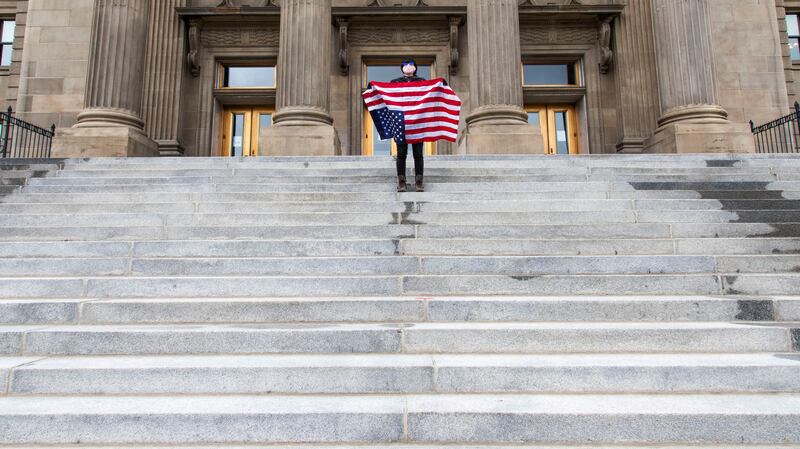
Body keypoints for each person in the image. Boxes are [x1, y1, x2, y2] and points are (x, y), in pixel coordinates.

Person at [391, 59, 425, 192]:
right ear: (401, 68)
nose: (408, 66)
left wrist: (441, 85)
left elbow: (432, 91)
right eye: (405, 65)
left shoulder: (422, 81)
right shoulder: (395, 82)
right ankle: (401, 182)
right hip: (401, 122)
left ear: (415, 68)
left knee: (418, 154)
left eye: (411, 64)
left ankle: (419, 182)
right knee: (401, 154)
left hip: (417, 121)